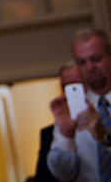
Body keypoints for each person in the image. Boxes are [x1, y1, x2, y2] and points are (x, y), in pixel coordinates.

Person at [47, 28, 111, 182]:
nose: (89, 68)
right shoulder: (74, 109)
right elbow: (62, 175)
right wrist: (66, 135)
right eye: (81, 62)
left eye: (96, 59)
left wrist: (105, 137)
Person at [35, 62, 84, 182]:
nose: (72, 92)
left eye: (77, 85)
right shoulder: (51, 134)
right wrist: (66, 134)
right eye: (66, 87)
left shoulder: (106, 119)